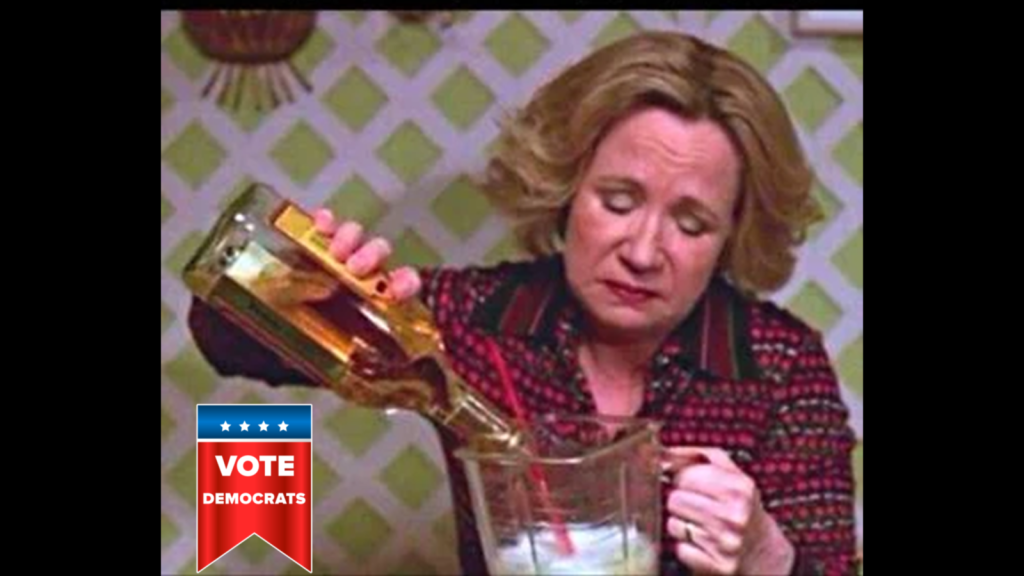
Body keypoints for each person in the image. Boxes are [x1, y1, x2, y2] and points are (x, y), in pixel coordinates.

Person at [188, 31, 860, 575]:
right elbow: (230, 344)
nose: (643, 251)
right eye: (617, 202)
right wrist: (304, 285)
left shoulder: (779, 364)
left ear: (733, 234)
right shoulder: (474, 318)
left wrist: (767, 557)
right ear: (565, 188)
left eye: (691, 224)